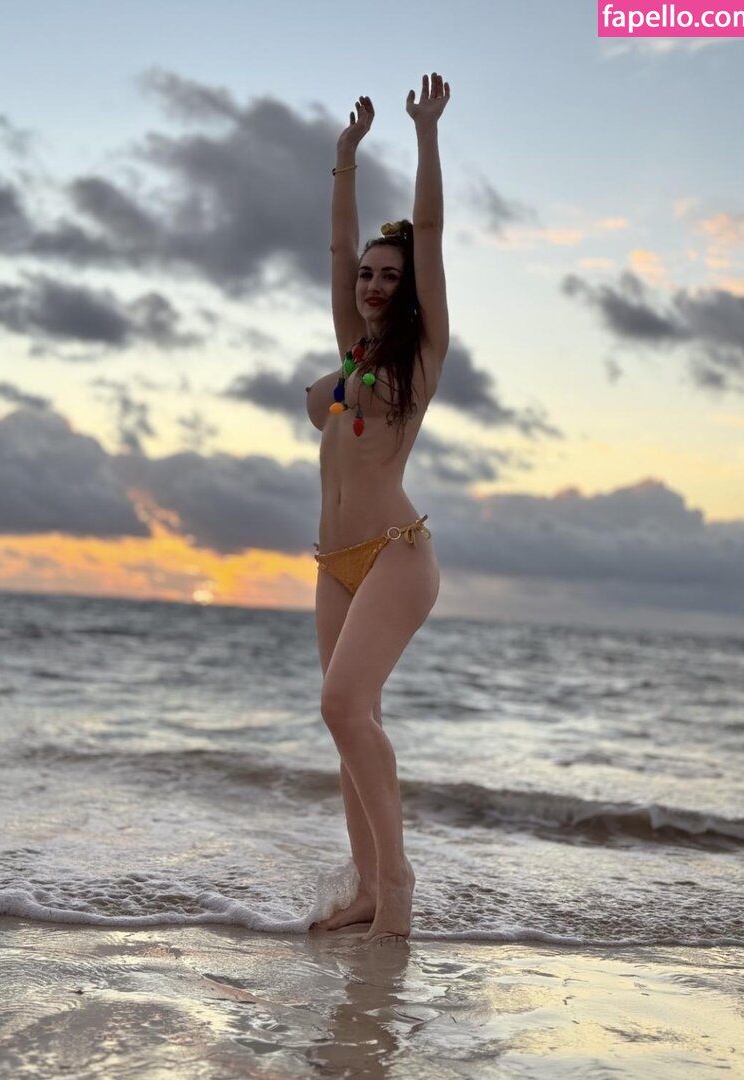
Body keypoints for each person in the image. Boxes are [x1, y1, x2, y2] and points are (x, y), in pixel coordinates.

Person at [306, 73, 450, 943]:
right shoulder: (352, 351)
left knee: (341, 708)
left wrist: (423, 132)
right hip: (334, 563)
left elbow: (427, 230)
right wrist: (344, 158)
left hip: (396, 553)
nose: (369, 283)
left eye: (387, 275)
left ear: (410, 286)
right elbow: (335, 247)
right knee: (351, 724)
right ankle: (366, 886)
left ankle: (396, 883)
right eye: (366, 273)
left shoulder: (420, 355)